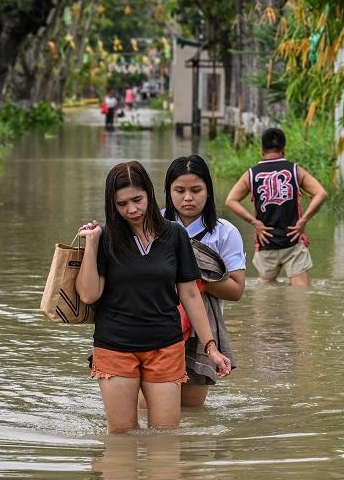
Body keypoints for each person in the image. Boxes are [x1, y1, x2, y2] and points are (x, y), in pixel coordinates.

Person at [76, 161, 232, 433]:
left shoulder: (174, 234)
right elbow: (89, 294)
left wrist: (211, 347)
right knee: (122, 437)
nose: (132, 210)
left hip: (165, 346)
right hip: (115, 347)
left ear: (149, 193)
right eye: (122, 204)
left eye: (137, 200)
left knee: (165, 437)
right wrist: (91, 243)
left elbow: (190, 294)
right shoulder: (107, 237)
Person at [163, 155, 246, 407]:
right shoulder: (154, 225)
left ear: (208, 192)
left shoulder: (224, 232)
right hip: (159, 324)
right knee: (149, 409)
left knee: (191, 412)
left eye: (196, 190)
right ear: (169, 192)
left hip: (202, 332)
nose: (188, 198)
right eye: (180, 190)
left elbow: (236, 290)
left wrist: (193, 275)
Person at [224, 127, 327, 286]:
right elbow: (321, 194)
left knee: (266, 299)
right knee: (300, 298)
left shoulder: (251, 174)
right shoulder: (295, 171)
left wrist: (255, 223)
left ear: (261, 151)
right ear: (284, 149)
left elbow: (231, 200)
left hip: (266, 241)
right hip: (293, 240)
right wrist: (303, 221)